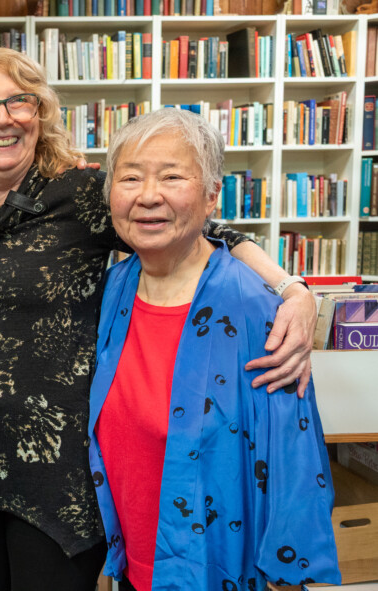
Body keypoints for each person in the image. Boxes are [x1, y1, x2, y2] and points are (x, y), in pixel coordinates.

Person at [0, 47, 317, 591]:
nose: (1, 116)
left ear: (40, 115)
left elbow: (202, 230)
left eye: (19, 100)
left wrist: (293, 289)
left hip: (53, 475)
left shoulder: (82, 194)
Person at [88, 107, 340, 591]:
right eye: (131, 177)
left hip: (218, 567)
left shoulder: (256, 309)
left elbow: (294, 456)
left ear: (210, 198)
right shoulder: (113, 288)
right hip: (133, 560)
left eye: (172, 176)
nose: (148, 196)